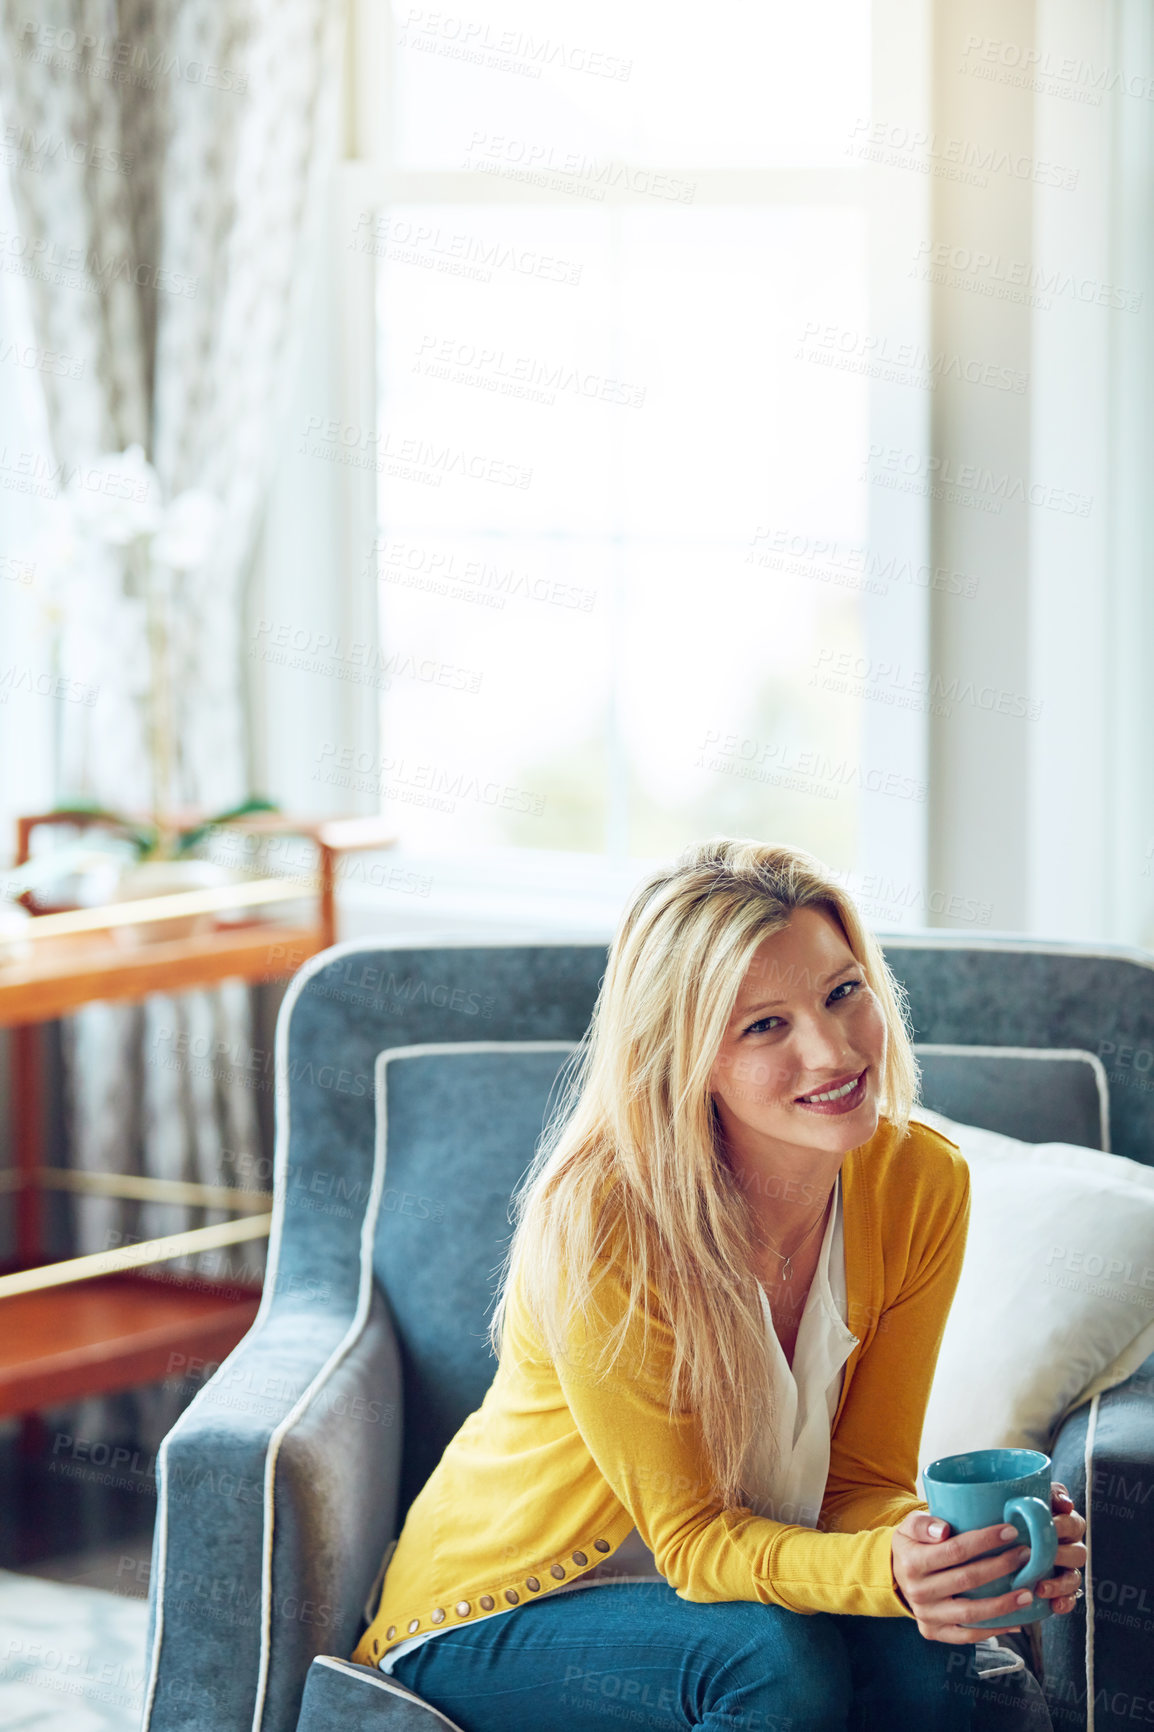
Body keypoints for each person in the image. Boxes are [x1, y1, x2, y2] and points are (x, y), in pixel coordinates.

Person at [352, 838, 1086, 1730]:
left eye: (842, 992)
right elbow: (695, 1544)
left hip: (747, 1585)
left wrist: (942, 1552)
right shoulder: (608, 1222)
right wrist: (880, 1572)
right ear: (684, 1056)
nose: (832, 1050)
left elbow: (859, 1483)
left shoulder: (918, 1185)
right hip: (502, 1609)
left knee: (932, 1660)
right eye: (764, 1025)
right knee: (772, 1662)